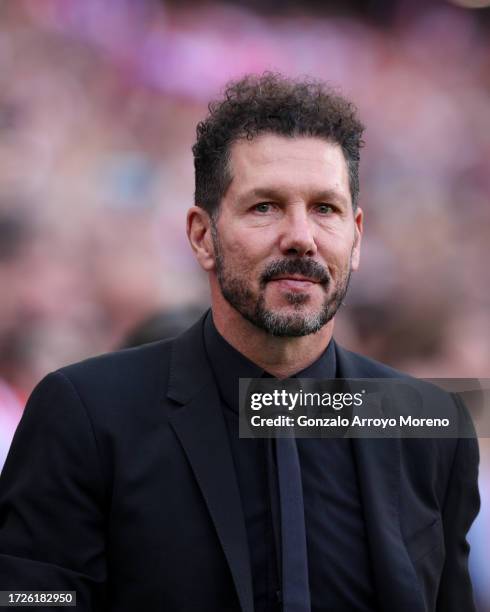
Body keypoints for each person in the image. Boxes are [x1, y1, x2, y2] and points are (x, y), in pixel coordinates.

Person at [0, 73, 480, 612]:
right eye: (265, 206)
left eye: (326, 208)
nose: (301, 236)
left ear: (357, 236)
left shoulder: (429, 427)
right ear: (202, 236)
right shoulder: (85, 415)